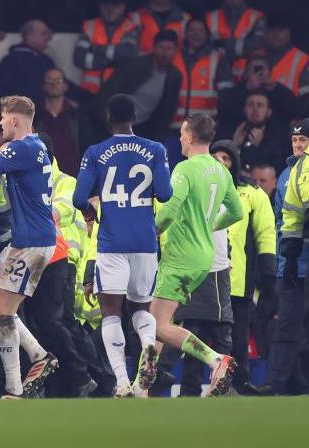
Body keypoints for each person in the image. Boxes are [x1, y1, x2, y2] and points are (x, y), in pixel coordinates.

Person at [73, 94, 172, 397]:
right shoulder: (155, 149)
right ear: (134, 118)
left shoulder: (95, 152)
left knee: (111, 313)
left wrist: (92, 211)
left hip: (112, 241)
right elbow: (166, 193)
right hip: (145, 241)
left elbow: (78, 199)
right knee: (141, 309)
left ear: (108, 118)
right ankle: (146, 347)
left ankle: (121, 382)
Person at [150, 112, 243, 397]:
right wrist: (209, 224)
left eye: (182, 133)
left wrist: (149, 232)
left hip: (181, 255)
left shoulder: (184, 169)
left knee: (156, 325)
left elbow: (167, 214)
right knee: (161, 321)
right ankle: (142, 386)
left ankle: (215, 360)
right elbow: (237, 212)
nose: (180, 138)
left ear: (189, 135)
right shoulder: (220, 170)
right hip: (205, 258)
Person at [0, 96, 58, 398]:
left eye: (2, 119)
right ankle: (37, 357)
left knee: (1, 311)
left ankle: (17, 385)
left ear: (14, 120)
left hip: (30, 242)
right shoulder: (37, 146)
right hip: (34, 238)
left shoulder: (20, 148)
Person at [209, 140, 276, 394]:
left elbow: (266, 233)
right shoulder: (198, 191)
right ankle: (193, 386)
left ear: (235, 162)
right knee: (199, 335)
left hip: (239, 281)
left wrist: (269, 273)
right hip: (203, 278)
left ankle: (236, 384)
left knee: (237, 340)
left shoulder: (252, 194)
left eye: (226, 158)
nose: (221, 162)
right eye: (216, 157)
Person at [259, 118, 309, 395]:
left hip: (297, 258)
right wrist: (287, 258)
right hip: (291, 262)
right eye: (295, 140)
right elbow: (284, 221)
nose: (299, 144)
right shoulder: (285, 174)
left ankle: (291, 382)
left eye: (303, 140)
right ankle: (276, 383)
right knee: (286, 323)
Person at [94, 30, 182, 142]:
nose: (164, 53)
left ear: (175, 51)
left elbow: (167, 111)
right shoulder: (134, 65)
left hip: (143, 127)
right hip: (115, 123)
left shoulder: (174, 76)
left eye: (169, 49)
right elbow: (109, 92)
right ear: (154, 48)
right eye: (161, 47)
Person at [170, 19, 233, 130]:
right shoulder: (173, 56)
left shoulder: (217, 58)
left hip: (204, 129)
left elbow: (226, 96)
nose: (196, 34)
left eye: (200, 31)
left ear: (206, 34)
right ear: (185, 33)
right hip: (174, 127)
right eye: (192, 30)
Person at [37, 68, 93, 177]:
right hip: (44, 178)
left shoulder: (77, 115)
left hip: (72, 177)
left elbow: (87, 148)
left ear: (65, 86)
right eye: (49, 81)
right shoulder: (35, 116)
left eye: (58, 80)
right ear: (43, 86)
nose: (54, 84)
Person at [74, 0, 139, 94]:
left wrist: (93, 48)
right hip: (90, 92)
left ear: (123, 7)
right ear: (100, 5)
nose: (110, 9)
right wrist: (109, 63)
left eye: (115, 4)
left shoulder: (131, 27)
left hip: (119, 91)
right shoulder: (89, 25)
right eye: (106, 4)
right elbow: (79, 58)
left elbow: (126, 54)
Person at [218, 91, 291, 173]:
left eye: (260, 105)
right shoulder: (232, 132)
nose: (255, 109)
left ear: (269, 112)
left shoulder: (280, 137)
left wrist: (259, 147)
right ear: (244, 110)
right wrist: (235, 146)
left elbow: (276, 169)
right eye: (250, 105)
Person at [0, 20, 55, 106]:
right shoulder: (11, 61)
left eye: (49, 33)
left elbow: (60, 83)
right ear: (30, 37)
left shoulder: (46, 60)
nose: (49, 37)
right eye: (44, 33)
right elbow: (1, 93)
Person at [205, 0, 266, 81]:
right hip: (217, 75)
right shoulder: (211, 17)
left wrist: (231, 45)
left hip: (249, 76)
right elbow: (205, 45)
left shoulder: (257, 16)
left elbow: (259, 43)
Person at [262, 17, 309, 98]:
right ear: (265, 32)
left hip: (290, 108)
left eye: (280, 29)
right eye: (271, 29)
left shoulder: (303, 60)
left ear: (289, 33)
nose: (275, 34)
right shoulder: (253, 56)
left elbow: (306, 96)